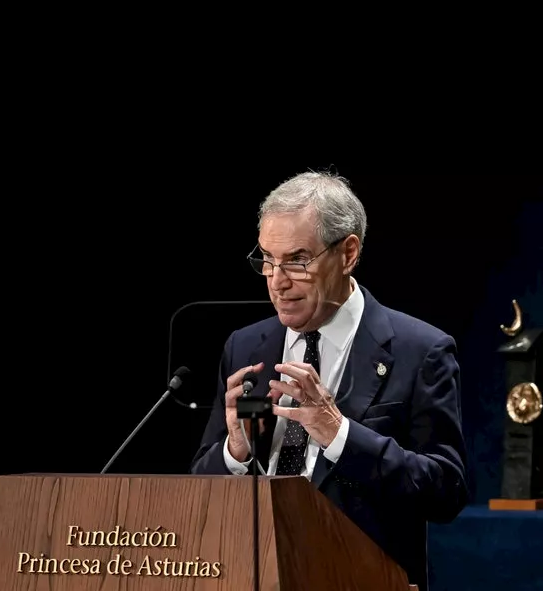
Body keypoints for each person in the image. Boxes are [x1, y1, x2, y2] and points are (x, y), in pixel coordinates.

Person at [190, 170, 468, 589]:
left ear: (348, 253)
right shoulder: (245, 347)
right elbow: (199, 489)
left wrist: (339, 434)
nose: (277, 282)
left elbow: (446, 491)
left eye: (297, 261)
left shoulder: (420, 351)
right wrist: (235, 451)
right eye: (267, 259)